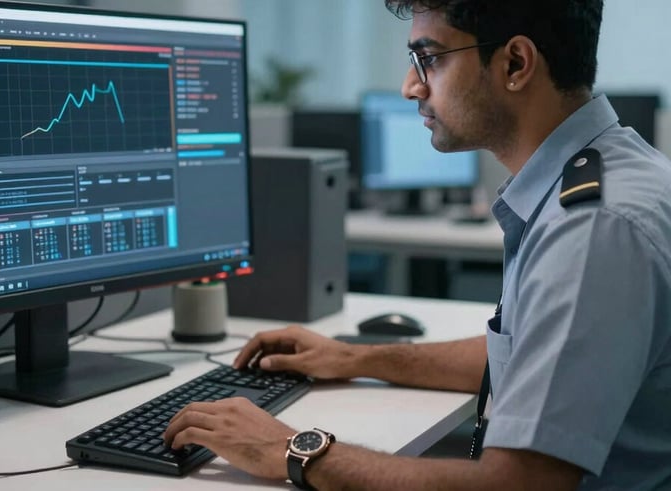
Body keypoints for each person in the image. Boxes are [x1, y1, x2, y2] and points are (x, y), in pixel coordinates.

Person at [164, 0, 671, 489]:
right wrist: (353, 358)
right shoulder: (605, 173)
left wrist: (293, 450)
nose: (410, 86)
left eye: (428, 59)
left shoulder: (593, 228)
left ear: (515, 63)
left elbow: (518, 484)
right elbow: (532, 354)